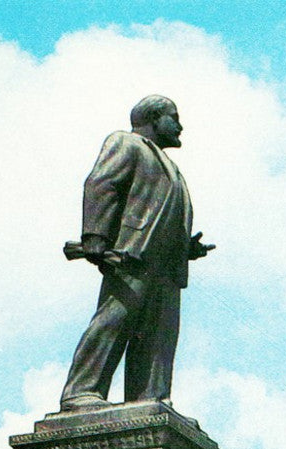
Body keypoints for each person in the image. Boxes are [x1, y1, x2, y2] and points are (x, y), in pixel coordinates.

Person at [60, 95, 214, 411]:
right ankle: (81, 391)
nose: (180, 126)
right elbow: (101, 185)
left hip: (166, 267)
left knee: (158, 337)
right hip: (132, 257)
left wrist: (186, 248)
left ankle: (150, 397)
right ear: (154, 117)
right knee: (113, 321)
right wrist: (95, 236)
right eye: (174, 117)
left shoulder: (170, 167)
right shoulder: (126, 143)